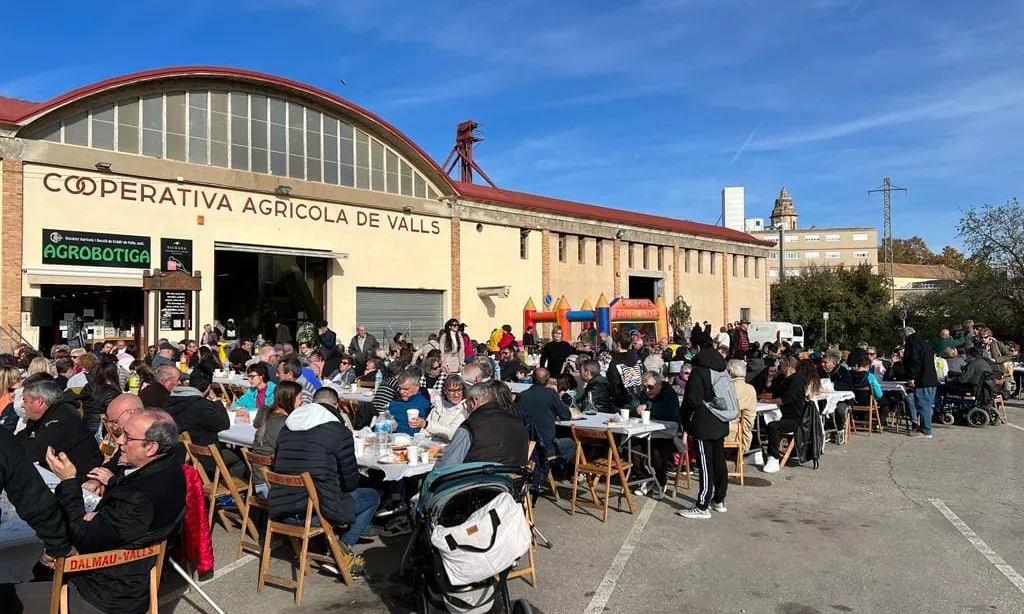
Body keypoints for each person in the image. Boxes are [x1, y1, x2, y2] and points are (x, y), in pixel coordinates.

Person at [42, 409, 186, 614]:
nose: (118, 441)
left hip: (103, 595)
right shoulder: (169, 467)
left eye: (127, 436)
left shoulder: (139, 499)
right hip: (124, 582)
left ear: (151, 448)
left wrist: (69, 482)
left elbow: (80, 534)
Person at [271, 399, 380, 577]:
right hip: (314, 514)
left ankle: (333, 545)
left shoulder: (287, 429)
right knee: (372, 496)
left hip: (281, 508)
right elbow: (350, 483)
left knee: (326, 492)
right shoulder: (338, 432)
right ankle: (342, 550)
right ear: (335, 409)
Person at [677, 344, 731, 519]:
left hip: (703, 423)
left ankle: (702, 505)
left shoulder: (699, 372)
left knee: (705, 464)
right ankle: (719, 499)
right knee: (719, 460)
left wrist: (685, 418)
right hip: (720, 420)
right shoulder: (722, 371)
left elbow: (691, 399)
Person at [17, 375, 103, 478]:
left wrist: (30, 440)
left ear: (39, 402)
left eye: (25, 401)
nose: (22, 405)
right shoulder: (43, 417)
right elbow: (16, 439)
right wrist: (30, 438)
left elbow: (33, 452)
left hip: (81, 480)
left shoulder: (62, 418)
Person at [165, 367, 241, 477]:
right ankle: (225, 486)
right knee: (240, 456)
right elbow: (224, 423)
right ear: (208, 387)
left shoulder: (170, 400)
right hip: (202, 458)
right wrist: (216, 401)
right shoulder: (201, 405)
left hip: (178, 455)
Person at [435, 382, 529, 468]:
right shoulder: (519, 423)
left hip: (477, 483)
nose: (466, 407)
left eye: (466, 403)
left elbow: (446, 466)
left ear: (473, 402)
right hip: (511, 483)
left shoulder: (470, 427)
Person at [631, 371, 679, 498]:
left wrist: (649, 406)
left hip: (669, 434)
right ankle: (645, 478)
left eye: (650, 387)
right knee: (632, 449)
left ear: (659, 385)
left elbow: (671, 414)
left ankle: (661, 481)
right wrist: (632, 408)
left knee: (657, 451)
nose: (647, 390)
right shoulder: (643, 394)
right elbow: (633, 403)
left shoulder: (670, 394)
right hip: (646, 433)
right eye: (644, 387)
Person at [517, 368, 574, 463]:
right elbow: (566, 415)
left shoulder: (522, 396)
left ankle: (549, 468)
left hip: (525, 445)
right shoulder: (551, 394)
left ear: (532, 379)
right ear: (548, 380)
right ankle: (555, 469)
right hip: (545, 446)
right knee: (572, 444)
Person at [763, 356, 805, 473]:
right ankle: (757, 452)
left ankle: (774, 458)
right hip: (780, 413)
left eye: (781, 363)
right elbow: (769, 388)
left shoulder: (797, 379)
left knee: (773, 426)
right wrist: (771, 377)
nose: (779, 366)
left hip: (794, 418)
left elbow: (788, 398)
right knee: (759, 422)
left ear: (788, 364)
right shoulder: (782, 378)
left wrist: (770, 402)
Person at [902, 327, 939, 439]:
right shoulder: (924, 343)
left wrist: (911, 376)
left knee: (923, 405)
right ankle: (924, 427)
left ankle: (926, 430)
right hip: (931, 378)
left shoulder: (912, 343)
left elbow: (914, 361)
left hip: (922, 379)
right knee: (927, 405)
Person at [77, 359, 122, 440]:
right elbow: (113, 413)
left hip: (86, 425)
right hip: (103, 429)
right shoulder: (111, 391)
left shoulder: (89, 387)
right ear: (112, 374)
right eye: (117, 371)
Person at [424, 375, 469, 442]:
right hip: (429, 445)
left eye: (459, 390)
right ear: (445, 391)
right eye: (452, 391)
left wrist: (426, 424)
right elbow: (425, 428)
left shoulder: (464, 410)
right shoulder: (438, 404)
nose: (456, 395)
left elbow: (451, 433)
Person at [606, 330, 643, 408]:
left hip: (622, 404)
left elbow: (613, 385)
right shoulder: (638, 360)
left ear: (618, 344)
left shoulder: (615, 363)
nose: (612, 345)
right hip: (640, 399)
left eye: (613, 343)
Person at [727, 360, 757, 453]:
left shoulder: (725, 387)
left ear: (729, 372)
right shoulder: (750, 389)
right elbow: (749, 419)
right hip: (737, 433)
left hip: (720, 431)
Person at [389, 369, 431, 435]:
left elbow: (415, 431)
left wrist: (397, 427)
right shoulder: (396, 398)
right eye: (400, 388)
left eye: (406, 389)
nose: (401, 392)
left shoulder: (421, 404)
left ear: (417, 387)